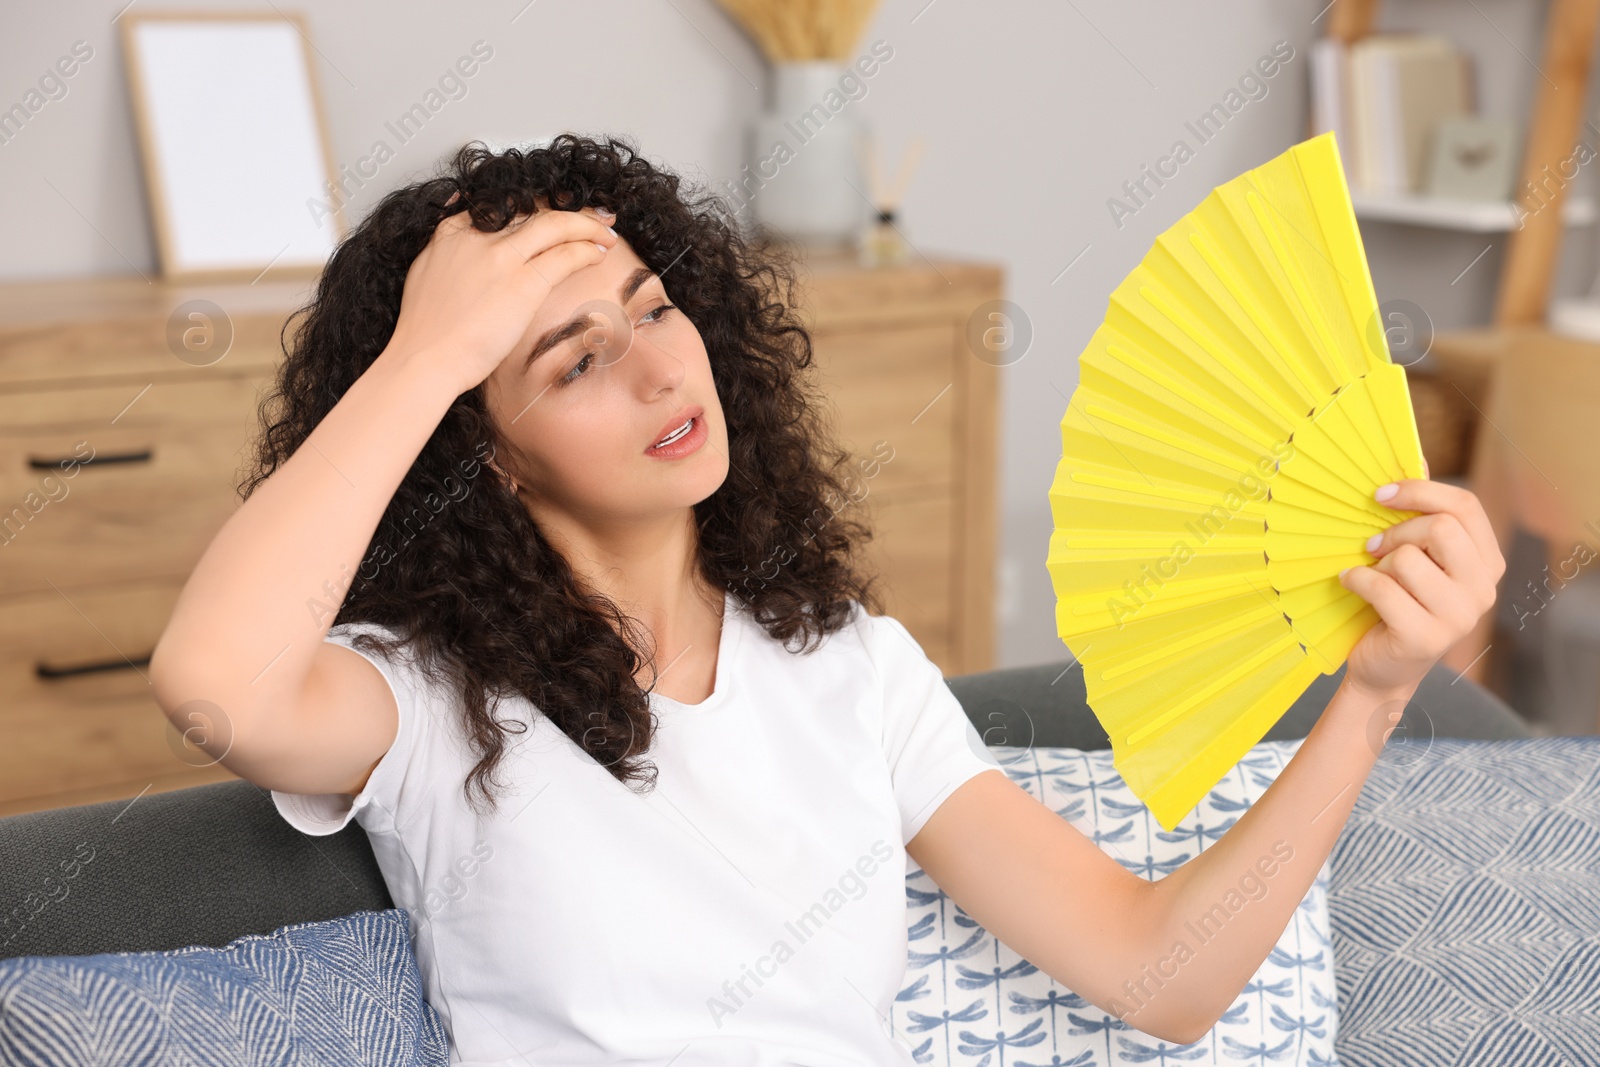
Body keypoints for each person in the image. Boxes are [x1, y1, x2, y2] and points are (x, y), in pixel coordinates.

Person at [149, 133, 1506, 1064]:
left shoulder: (854, 670)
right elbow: (218, 684)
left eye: (652, 308)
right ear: (485, 454)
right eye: (569, 364)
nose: (657, 371)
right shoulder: (434, 699)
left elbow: (1162, 978)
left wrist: (1373, 696)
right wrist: (427, 354)